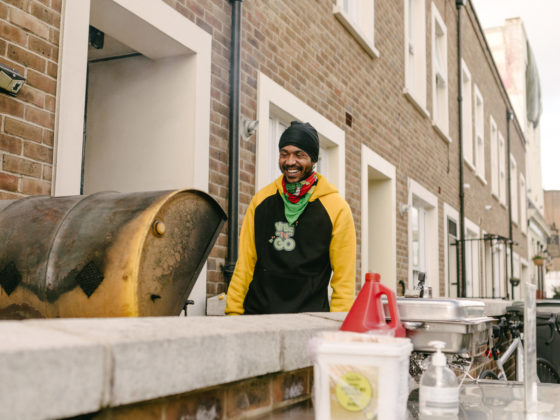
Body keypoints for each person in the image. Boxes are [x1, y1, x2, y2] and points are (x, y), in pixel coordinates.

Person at [225, 121, 356, 315]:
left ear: (313, 159)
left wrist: (338, 326)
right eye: (284, 153)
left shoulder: (336, 208)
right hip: (258, 317)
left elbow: (344, 281)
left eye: (299, 154)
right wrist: (233, 313)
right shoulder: (261, 202)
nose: (290, 161)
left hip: (310, 321)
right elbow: (245, 264)